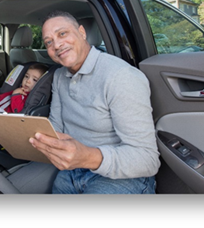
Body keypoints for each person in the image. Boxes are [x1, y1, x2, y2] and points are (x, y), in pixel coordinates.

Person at [29, 10, 160, 194]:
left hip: (122, 177)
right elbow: (56, 126)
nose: (57, 44)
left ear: (82, 32)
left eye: (62, 34)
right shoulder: (59, 75)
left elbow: (147, 160)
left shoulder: (121, 76)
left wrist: (87, 157)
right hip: (71, 171)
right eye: (49, 42)